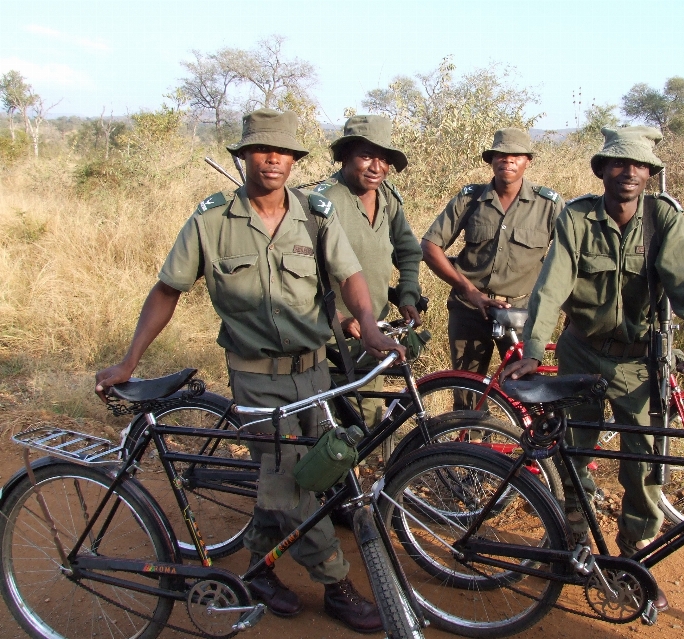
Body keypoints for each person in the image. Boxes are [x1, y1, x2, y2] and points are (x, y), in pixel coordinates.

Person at [95, 109, 402, 633]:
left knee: (312, 473)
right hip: (257, 378)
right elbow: (167, 291)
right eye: (262, 151)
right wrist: (129, 360)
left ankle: (259, 569)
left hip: (314, 376)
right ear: (243, 157)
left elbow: (349, 275)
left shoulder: (315, 214)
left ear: (294, 161)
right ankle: (336, 586)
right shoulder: (211, 222)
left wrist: (370, 327)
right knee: (291, 486)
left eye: (283, 152)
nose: (273, 161)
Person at [501, 125, 684, 612]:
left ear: (649, 173)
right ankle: (570, 543)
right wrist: (534, 350)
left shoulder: (663, 220)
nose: (629, 173)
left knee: (645, 465)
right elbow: (552, 285)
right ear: (602, 170)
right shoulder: (577, 218)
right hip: (582, 352)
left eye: (639, 165)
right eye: (619, 163)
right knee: (573, 453)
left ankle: (635, 559)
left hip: (641, 361)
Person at [421, 127, 563, 408]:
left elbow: (567, 261)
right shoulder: (469, 199)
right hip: (470, 310)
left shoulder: (548, 204)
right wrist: (469, 291)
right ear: (491, 160)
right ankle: (470, 447)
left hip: (522, 313)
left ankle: (527, 449)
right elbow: (430, 246)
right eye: (500, 155)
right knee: (467, 390)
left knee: (528, 393)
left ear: (527, 161)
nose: (507, 161)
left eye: (516, 156)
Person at [309, 114, 422, 427]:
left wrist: (408, 293)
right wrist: (341, 320)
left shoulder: (387, 197)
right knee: (330, 428)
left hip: (374, 331)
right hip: (329, 339)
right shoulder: (324, 202)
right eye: (367, 156)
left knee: (368, 419)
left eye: (384, 159)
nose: (377, 167)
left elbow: (409, 250)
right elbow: (299, 275)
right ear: (345, 156)